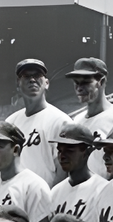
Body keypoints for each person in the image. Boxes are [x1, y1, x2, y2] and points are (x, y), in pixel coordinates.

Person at [6, 58, 68, 186]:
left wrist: (50, 200)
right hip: (15, 198)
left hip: (44, 198)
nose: (32, 79)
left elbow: (63, 170)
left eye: (37, 75)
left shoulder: (61, 121)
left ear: (46, 83)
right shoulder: (11, 122)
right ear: (18, 84)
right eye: (26, 76)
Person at [44, 123, 105, 222]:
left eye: (69, 150)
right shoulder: (55, 192)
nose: (62, 156)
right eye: (60, 151)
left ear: (86, 152)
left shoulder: (102, 190)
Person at [67, 57, 113, 172]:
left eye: (85, 83)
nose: (79, 88)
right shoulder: (77, 120)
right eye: (76, 83)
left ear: (101, 82)